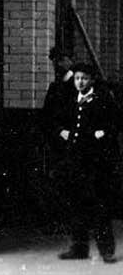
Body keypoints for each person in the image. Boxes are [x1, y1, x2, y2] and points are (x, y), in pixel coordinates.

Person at [54, 63, 119, 262]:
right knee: (77, 205)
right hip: (75, 161)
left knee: (99, 205)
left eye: (83, 78)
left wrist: (103, 133)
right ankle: (79, 247)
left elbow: (114, 122)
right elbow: (57, 120)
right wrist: (62, 131)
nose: (79, 82)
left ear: (91, 80)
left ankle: (106, 250)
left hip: (95, 162)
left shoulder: (102, 99)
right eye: (77, 78)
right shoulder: (71, 99)